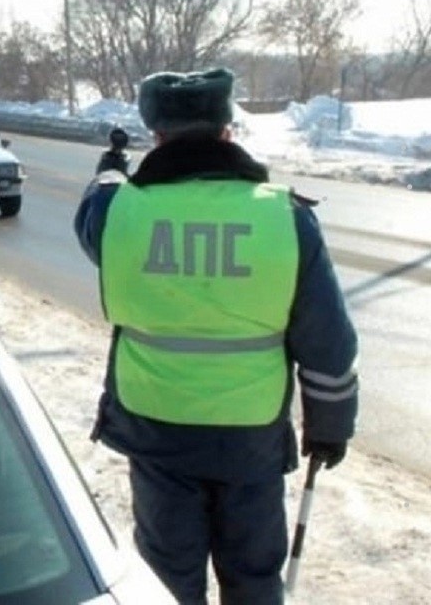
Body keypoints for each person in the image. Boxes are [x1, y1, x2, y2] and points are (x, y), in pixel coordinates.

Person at [73, 68, 359, 605]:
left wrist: (109, 170)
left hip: (156, 426)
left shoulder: (121, 214)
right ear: (229, 130)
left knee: (167, 578)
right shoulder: (285, 219)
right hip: (249, 435)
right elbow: (328, 343)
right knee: (253, 577)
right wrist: (329, 428)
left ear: (156, 136)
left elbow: (93, 211)